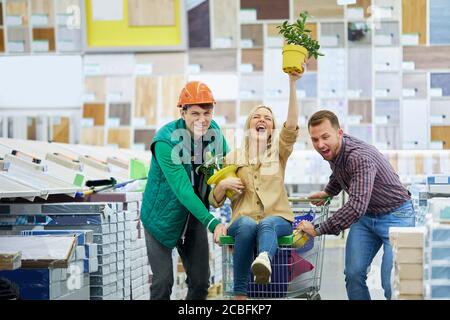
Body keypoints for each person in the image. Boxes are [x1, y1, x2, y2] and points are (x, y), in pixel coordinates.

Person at [297, 110, 415, 300]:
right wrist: (329, 191)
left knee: (391, 280)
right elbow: (340, 171)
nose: (320, 144)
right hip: (367, 217)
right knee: (353, 274)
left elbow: (356, 206)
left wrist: (318, 228)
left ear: (340, 133)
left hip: (397, 215)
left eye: (325, 137)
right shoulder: (335, 150)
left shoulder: (359, 157)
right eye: (315, 139)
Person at [209, 71, 303, 300]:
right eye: (256, 116)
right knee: (247, 224)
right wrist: (222, 186)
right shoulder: (232, 157)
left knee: (268, 223)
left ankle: (263, 259)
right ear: (249, 125)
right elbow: (214, 199)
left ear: (272, 128)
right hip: (243, 222)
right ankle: (241, 294)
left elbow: (291, 126)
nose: (262, 119)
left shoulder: (279, 153)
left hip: (278, 219)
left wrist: (292, 83)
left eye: (267, 118)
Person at [140, 81, 228, 300]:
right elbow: (182, 190)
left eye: (207, 113)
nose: (202, 120)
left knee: (200, 283)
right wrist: (213, 223)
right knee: (163, 283)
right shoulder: (165, 141)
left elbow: (228, 168)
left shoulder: (213, 133)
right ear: (183, 112)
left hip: (193, 218)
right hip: (162, 217)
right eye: (195, 113)